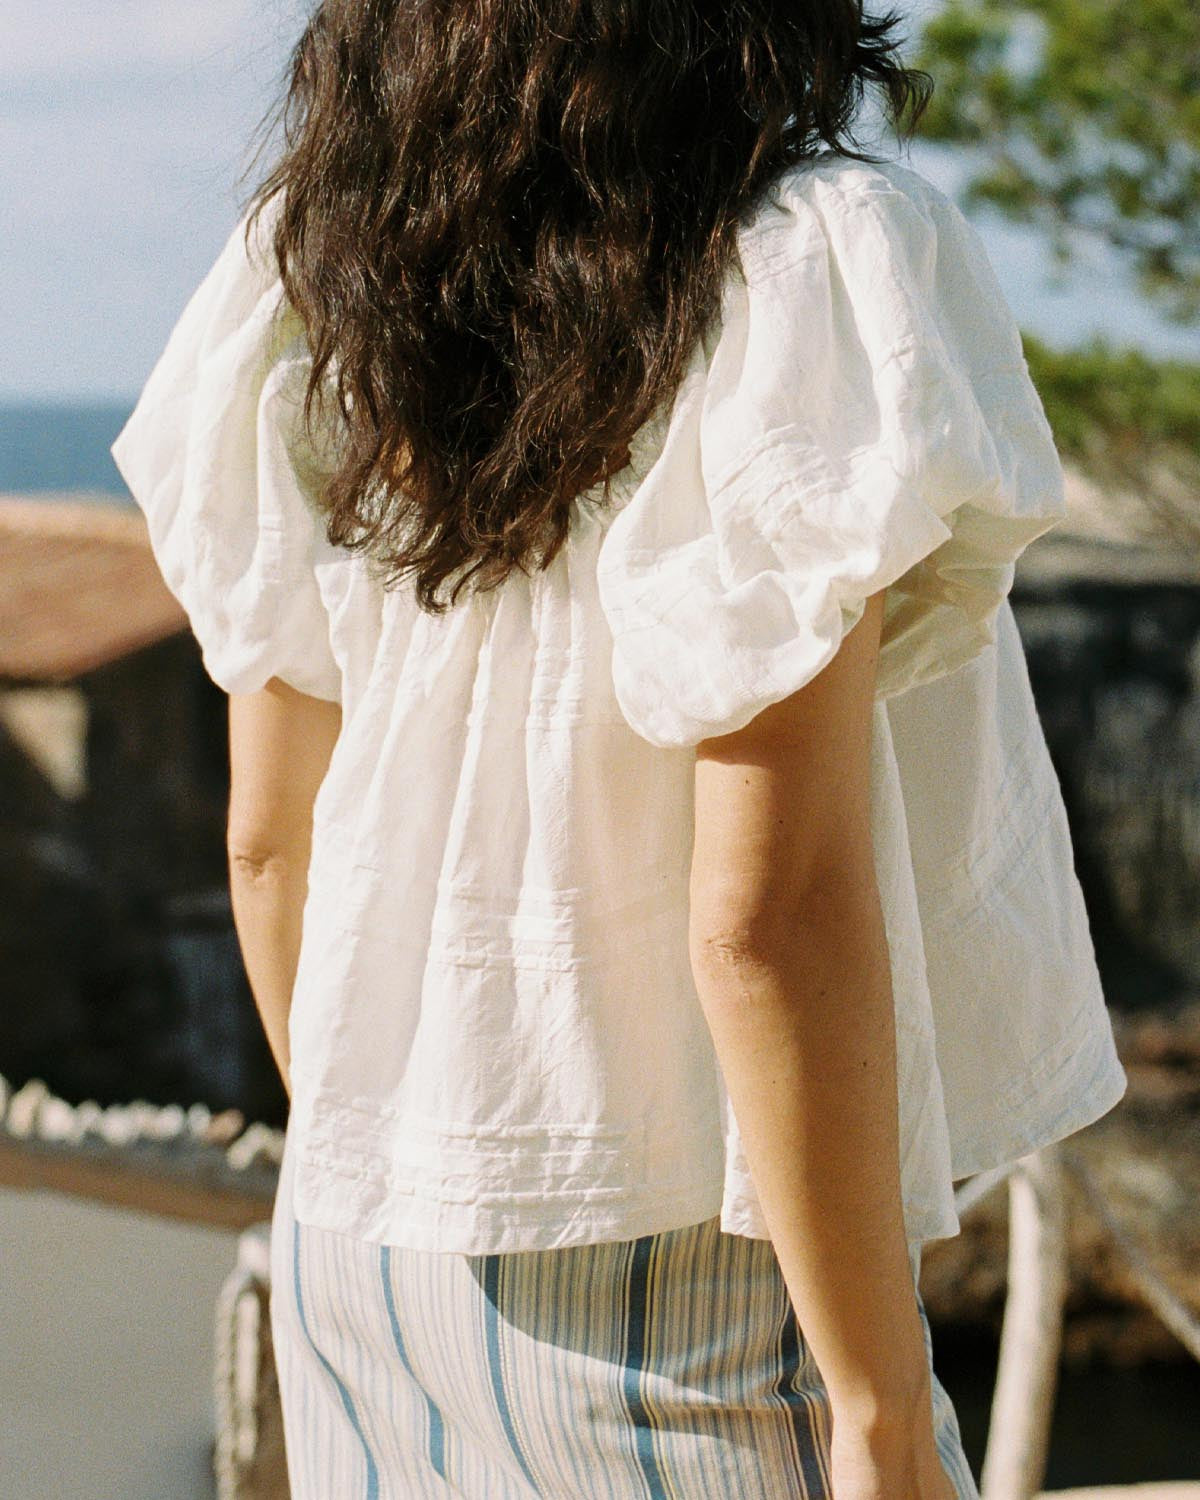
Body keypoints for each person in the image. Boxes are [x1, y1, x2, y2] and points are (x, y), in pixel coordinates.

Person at [112, 2, 1128, 1496]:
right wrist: (878, 1408)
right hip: (675, 1263)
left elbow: (269, 842)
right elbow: (767, 916)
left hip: (357, 1256)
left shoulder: (315, 275)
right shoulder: (803, 261)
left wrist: (398, 1145)